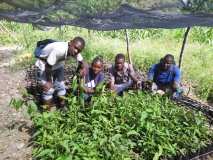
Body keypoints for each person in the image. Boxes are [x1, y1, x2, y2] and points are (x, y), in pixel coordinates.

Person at [35, 36, 85, 109]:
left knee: (61, 87)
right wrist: (49, 81)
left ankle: (62, 106)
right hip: (45, 65)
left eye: (79, 50)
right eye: (75, 48)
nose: (76, 51)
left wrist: (80, 70)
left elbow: (82, 62)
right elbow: (48, 66)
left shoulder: (75, 51)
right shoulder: (59, 50)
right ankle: (48, 112)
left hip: (58, 65)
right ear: (70, 43)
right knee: (48, 90)